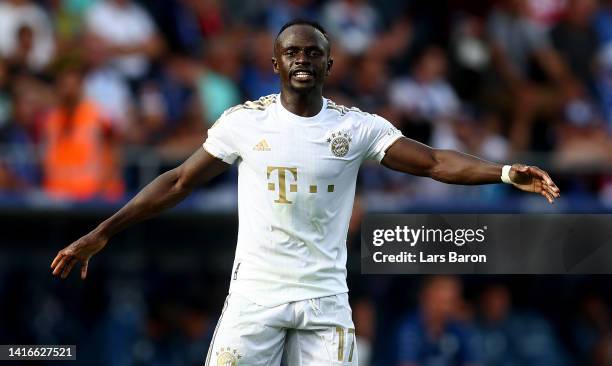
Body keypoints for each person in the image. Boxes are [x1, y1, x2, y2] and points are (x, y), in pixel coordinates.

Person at [50, 20, 560, 365]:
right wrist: (103, 231)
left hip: (325, 304)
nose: (302, 59)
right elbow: (179, 181)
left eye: (313, 52)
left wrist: (503, 171)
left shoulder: (356, 128)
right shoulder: (244, 123)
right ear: (275, 63)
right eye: (291, 51)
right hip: (256, 299)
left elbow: (432, 161)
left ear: (328, 65)